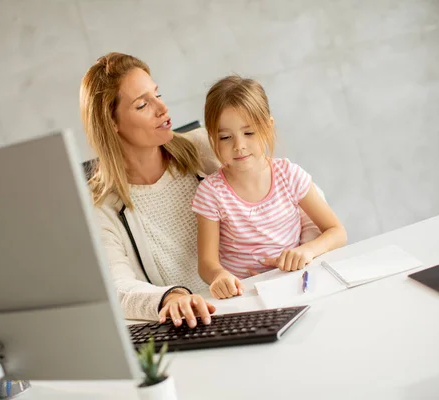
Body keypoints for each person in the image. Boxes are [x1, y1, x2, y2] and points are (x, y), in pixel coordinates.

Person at [79, 52, 323, 326]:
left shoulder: (206, 147)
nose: (162, 109)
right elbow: (118, 286)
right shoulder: (101, 205)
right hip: (191, 325)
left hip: (260, 299)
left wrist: (298, 255)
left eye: (157, 94)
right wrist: (170, 298)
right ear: (111, 123)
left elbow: (295, 199)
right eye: (142, 105)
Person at [192, 75, 348, 299]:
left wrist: (306, 251)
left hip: (296, 284)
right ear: (212, 138)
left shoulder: (289, 176)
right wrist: (219, 276)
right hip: (245, 295)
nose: (239, 146)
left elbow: (337, 232)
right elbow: (206, 263)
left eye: (249, 133)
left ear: (267, 127)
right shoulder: (211, 194)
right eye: (225, 137)